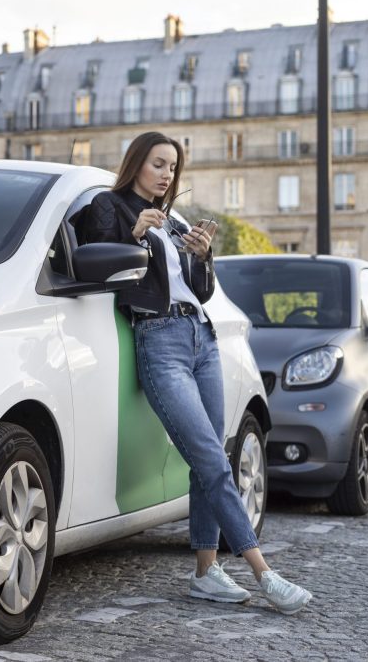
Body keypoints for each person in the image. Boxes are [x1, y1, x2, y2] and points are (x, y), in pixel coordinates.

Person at [74, 131, 312, 615]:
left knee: (212, 458)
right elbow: (95, 259)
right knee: (209, 458)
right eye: (158, 164)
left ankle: (206, 572)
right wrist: (134, 234)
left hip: (201, 338)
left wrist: (202, 255)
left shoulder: (172, 222)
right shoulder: (111, 206)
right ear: (137, 163)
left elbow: (198, 292)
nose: (165, 175)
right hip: (158, 341)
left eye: (171, 168)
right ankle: (264, 572)